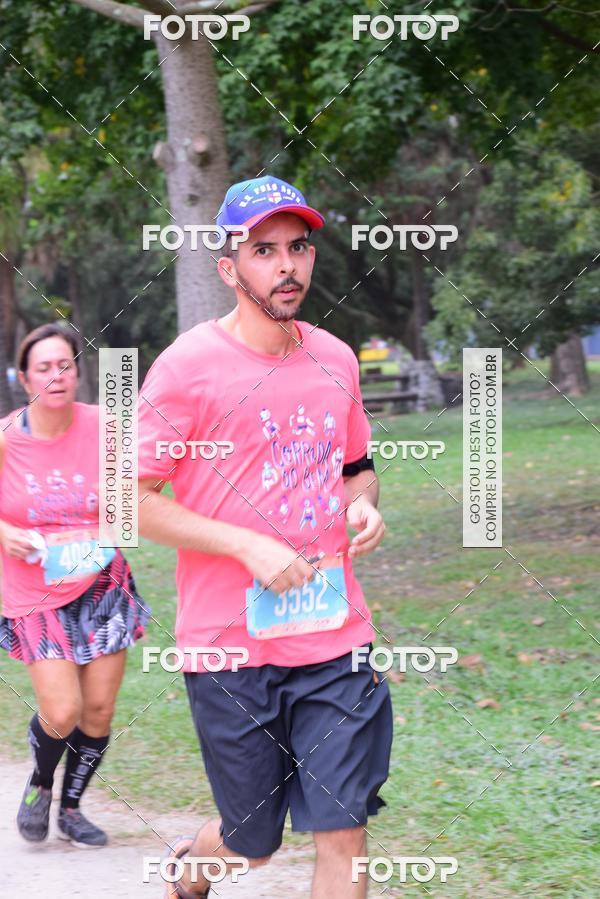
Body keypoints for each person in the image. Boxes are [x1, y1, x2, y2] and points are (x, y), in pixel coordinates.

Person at [137, 175, 391, 898]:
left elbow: (357, 470)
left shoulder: (336, 358)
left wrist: (363, 508)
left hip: (334, 639)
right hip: (230, 649)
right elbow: (131, 501)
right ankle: (192, 871)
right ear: (229, 268)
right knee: (251, 843)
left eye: (298, 248)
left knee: (344, 830)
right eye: (264, 250)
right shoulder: (187, 367)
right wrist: (247, 545)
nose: (287, 266)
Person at [0, 324, 150, 848]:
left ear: (77, 373)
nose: (56, 376)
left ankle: (71, 809)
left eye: (64, 365)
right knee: (63, 710)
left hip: (102, 582)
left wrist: (111, 523)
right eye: (43, 368)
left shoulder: (107, 427)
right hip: (35, 591)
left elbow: (133, 503)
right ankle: (41, 784)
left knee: (98, 709)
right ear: (24, 380)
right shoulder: (6, 438)